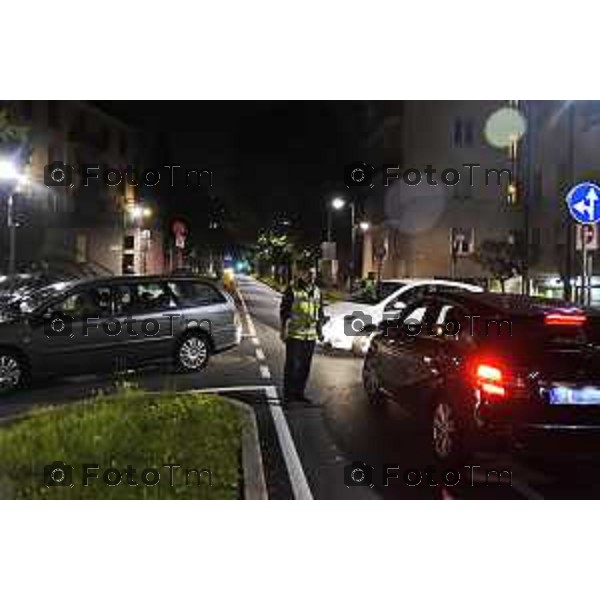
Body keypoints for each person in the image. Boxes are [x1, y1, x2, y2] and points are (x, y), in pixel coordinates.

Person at [280, 265, 324, 404]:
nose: (311, 276)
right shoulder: (292, 289)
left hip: (310, 336)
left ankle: (299, 393)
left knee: (305, 366)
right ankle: (288, 396)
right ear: (302, 274)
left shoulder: (317, 291)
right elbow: (284, 311)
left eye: (313, 274)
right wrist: (283, 330)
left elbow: (320, 313)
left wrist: (320, 331)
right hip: (295, 335)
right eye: (308, 273)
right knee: (292, 366)